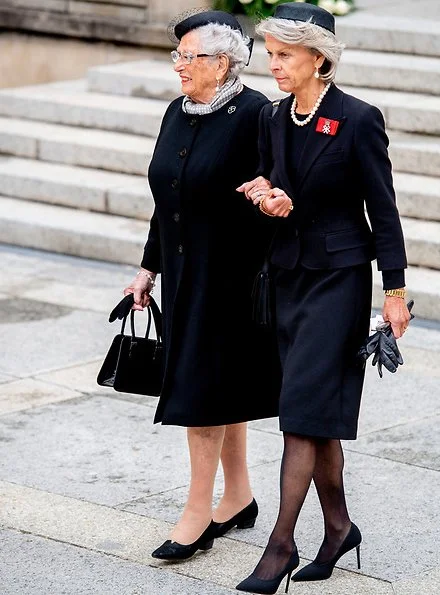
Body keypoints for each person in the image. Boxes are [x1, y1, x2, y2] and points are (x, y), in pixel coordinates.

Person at [235, 3, 411, 593]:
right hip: (287, 275)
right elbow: (267, 178)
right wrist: (265, 196)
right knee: (317, 417)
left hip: (338, 280)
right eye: (271, 53)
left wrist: (395, 290)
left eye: (286, 55)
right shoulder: (273, 118)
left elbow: (382, 210)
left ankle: (280, 545)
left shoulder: (358, 119)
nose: (274, 65)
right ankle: (338, 528)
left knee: (300, 418)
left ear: (319, 58)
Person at [122, 10, 280, 562]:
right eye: (177, 56)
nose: (179, 67)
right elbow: (168, 196)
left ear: (222, 61)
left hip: (231, 278)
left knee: (202, 392)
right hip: (187, 274)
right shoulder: (177, 110)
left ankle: (197, 512)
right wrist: (149, 268)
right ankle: (236, 497)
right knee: (218, 384)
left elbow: (277, 194)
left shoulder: (257, 115)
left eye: (187, 57)